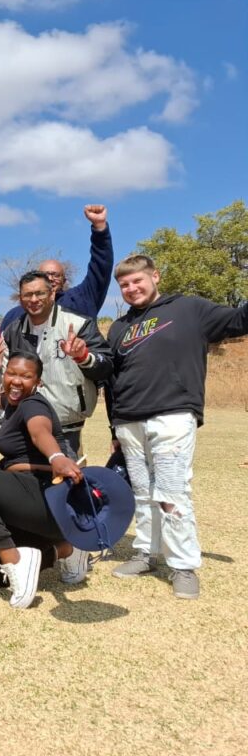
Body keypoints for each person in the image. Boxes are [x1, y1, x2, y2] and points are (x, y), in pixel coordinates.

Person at [107, 254, 248, 599]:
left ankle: (183, 565)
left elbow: (239, 320)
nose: (131, 288)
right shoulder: (119, 328)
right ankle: (146, 553)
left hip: (172, 413)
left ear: (155, 276)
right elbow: (111, 379)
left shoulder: (189, 309)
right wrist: (114, 427)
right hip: (128, 419)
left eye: (137, 280)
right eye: (124, 285)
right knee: (142, 492)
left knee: (171, 492)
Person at [0, 351, 89, 609]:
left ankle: (14, 559)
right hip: (30, 502)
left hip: (47, 500)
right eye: (11, 373)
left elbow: (40, 433)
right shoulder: (13, 404)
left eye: (25, 377)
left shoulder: (33, 405)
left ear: (38, 382)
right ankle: (68, 550)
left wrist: (56, 456)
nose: (16, 381)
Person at [0, 270, 113, 457]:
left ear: (52, 294)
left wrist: (83, 357)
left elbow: (106, 366)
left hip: (67, 426)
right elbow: (4, 377)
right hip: (25, 424)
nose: (34, 299)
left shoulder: (78, 324)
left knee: (68, 479)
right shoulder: (13, 330)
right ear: (20, 298)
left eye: (40, 293)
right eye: (27, 294)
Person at [0, 205, 114, 329]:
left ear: (64, 280)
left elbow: (101, 265)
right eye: (45, 275)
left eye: (56, 275)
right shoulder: (15, 315)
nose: (50, 278)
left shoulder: (81, 299)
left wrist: (100, 228)